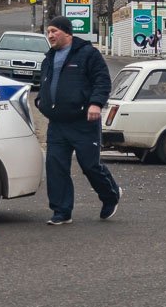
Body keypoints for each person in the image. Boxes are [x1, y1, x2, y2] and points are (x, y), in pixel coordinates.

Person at [35, 16, 121, 225]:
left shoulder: (87, 54)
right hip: (57, 124)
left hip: (83, 122)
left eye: (54, 31)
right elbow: (44, 83)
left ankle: (111, 195)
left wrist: (95, 104)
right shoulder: (49, 58)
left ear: (67, 32)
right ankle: (62, 211)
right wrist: (41, 101)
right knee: (56, 166)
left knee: (90, 165)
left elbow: (102, 80)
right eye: (48, 32)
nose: (50, 35)